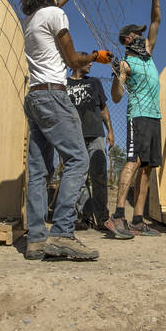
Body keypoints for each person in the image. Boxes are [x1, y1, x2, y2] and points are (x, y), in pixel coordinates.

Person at [19, 0, 114, 260]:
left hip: (34, 97)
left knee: (38, 169)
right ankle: (62, 233)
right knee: (77, 160)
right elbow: (72, 60)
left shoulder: (32, 20)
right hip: (54, 95)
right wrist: (96, 57)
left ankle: (35, 239)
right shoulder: (55, 16)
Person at [107, 0, 164, 237]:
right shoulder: (126, 63)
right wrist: (118, 76)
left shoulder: (149, 54)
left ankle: (138, 219)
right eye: (137, 34)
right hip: (138, 116)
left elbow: (156, 19)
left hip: (154, 117)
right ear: (128, 39)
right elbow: (117, 97)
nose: (143, 36)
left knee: (148, 168)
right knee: (133, 161)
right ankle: (118, 216)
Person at [66, 61, 127, 237]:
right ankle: (85, 217)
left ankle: (101, 217)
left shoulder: (94, 82)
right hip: (74, 136)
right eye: (87, 61)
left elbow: (103, 108)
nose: (91, 64)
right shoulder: (64, 84)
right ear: (76, 63)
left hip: (96, 135)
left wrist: (110, 130)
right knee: (79, 177)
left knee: (99, 175)